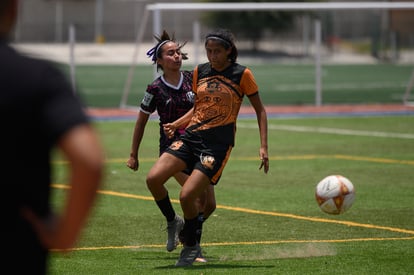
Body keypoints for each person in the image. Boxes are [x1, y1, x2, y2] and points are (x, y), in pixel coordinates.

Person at [148, 28, 269, 267]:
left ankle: (190, 246)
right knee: (153, 178)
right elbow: (199, 108)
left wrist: (263, 146)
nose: (212, 55)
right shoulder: (199, 71)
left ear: (229, 51)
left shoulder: (242, 74)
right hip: (191, 137)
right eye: (208, 51)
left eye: (217, 51)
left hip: (216, 147)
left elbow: (260, 110)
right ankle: (177, 224)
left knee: (187, 196)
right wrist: (178, 123)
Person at [0, 0, 105, 274]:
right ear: (13, 9)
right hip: (16, 251)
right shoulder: (37, 78)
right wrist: (65, 236)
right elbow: (89, 160)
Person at [126, 30, 216, 262]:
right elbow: (141, 121)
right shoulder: (155, 89)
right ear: (159, 60)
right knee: (194, 198)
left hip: (201, 145)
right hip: (174, 149)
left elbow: (203, 107)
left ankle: (185, 230)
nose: (176, 56)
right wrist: (133, 153)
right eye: (170, 53)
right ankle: (190, 245)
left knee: (209, 205)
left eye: (178, 52)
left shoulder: (192, 79)